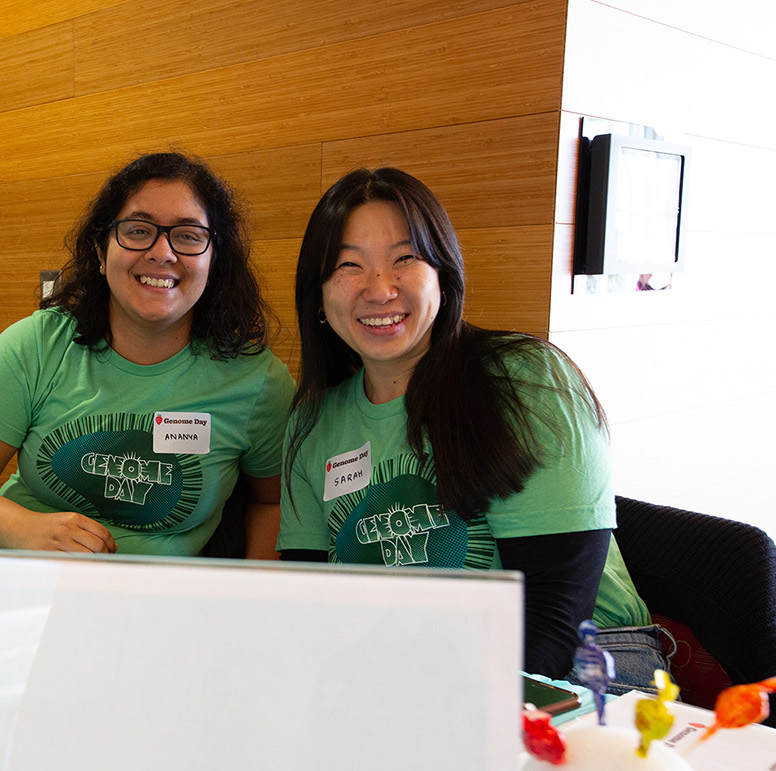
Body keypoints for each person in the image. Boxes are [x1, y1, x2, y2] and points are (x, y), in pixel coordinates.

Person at [278, 166, 659, 684]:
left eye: (404, 258)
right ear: (318, 294)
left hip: (582, 666)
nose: (379, 288)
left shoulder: (522, 380)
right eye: (348, 265)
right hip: (408, 674)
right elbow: (313, 603)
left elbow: (551, 618)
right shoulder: (313, 423)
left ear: (443, 273)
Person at [0, 151, 295, 557]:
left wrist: (251, 600)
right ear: (100, 250)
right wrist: (23, 528)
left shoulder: (257, 381)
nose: (162, 253)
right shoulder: (38, 345)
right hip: (25, 583)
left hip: (159, 607)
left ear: (214, 260)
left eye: (187, 235)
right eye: (137, 230)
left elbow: (273, 502)